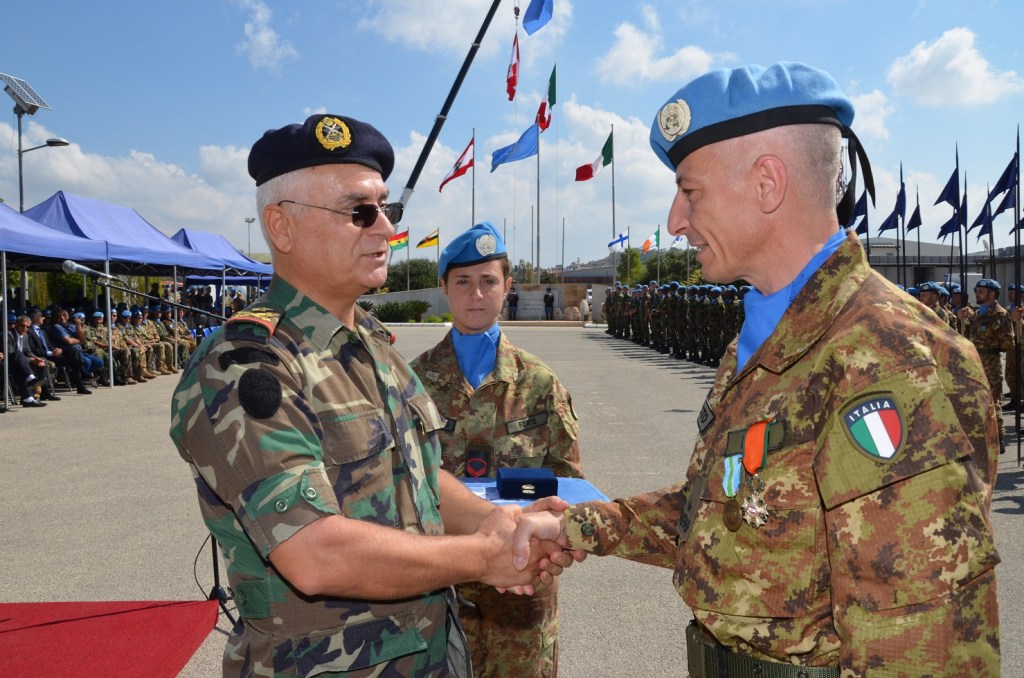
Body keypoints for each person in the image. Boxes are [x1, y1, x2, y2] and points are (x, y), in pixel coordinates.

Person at [515, 62, 1001, 676]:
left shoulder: (884, 355)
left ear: (768, 183)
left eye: (690, 192)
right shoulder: (778, 330)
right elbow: (730, 506)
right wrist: (584, 525)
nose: (674, 220)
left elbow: (923, 646)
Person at [169, 113, 578, 677]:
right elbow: (314, 551)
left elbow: (421, 474)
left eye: (389, 209)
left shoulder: (373, 346)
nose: (386, 228)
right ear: (281, 227)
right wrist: (486, 556)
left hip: (431, 651)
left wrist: (498, 524)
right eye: (360, 212)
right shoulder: (247, 365)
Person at [410, 222, 584, 678]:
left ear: (507, 286)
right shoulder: (410, 384)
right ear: (444, 287)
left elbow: (568, 483)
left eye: (489, 281)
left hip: (521, 590)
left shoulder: (540, 384)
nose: (476, 294)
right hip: (438, 588)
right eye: (463, 282)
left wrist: (548, 540)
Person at [959, 278, 1013, 452]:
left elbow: (1007, 343)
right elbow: (966, 337)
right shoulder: (976, 313)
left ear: (992, 294)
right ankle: (981, 436)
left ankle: (999, 437)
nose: (977, 293)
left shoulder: (999, 314)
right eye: (976, 290)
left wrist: (990, 338)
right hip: (974, 362)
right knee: (976, 401)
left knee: (992, 402)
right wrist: (963, 320)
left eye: (981, 291)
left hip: (990, 363)